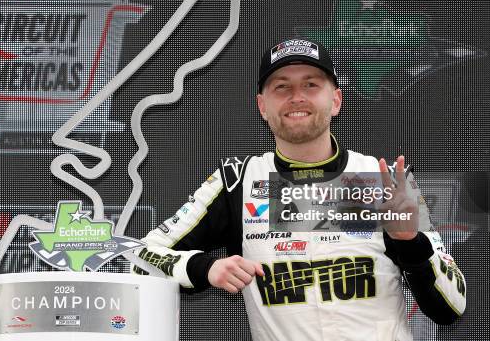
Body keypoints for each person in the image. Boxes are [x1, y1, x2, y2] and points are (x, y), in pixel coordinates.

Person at [132, 39, 466, 341]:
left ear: (335, 100)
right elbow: (139, 259)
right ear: (262, 107)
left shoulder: (385, 180)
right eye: (281, 87)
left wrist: (411, 244)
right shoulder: (237, 181)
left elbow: (451, 305)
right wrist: (203, 268)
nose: (297, 97)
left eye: (311, 84)